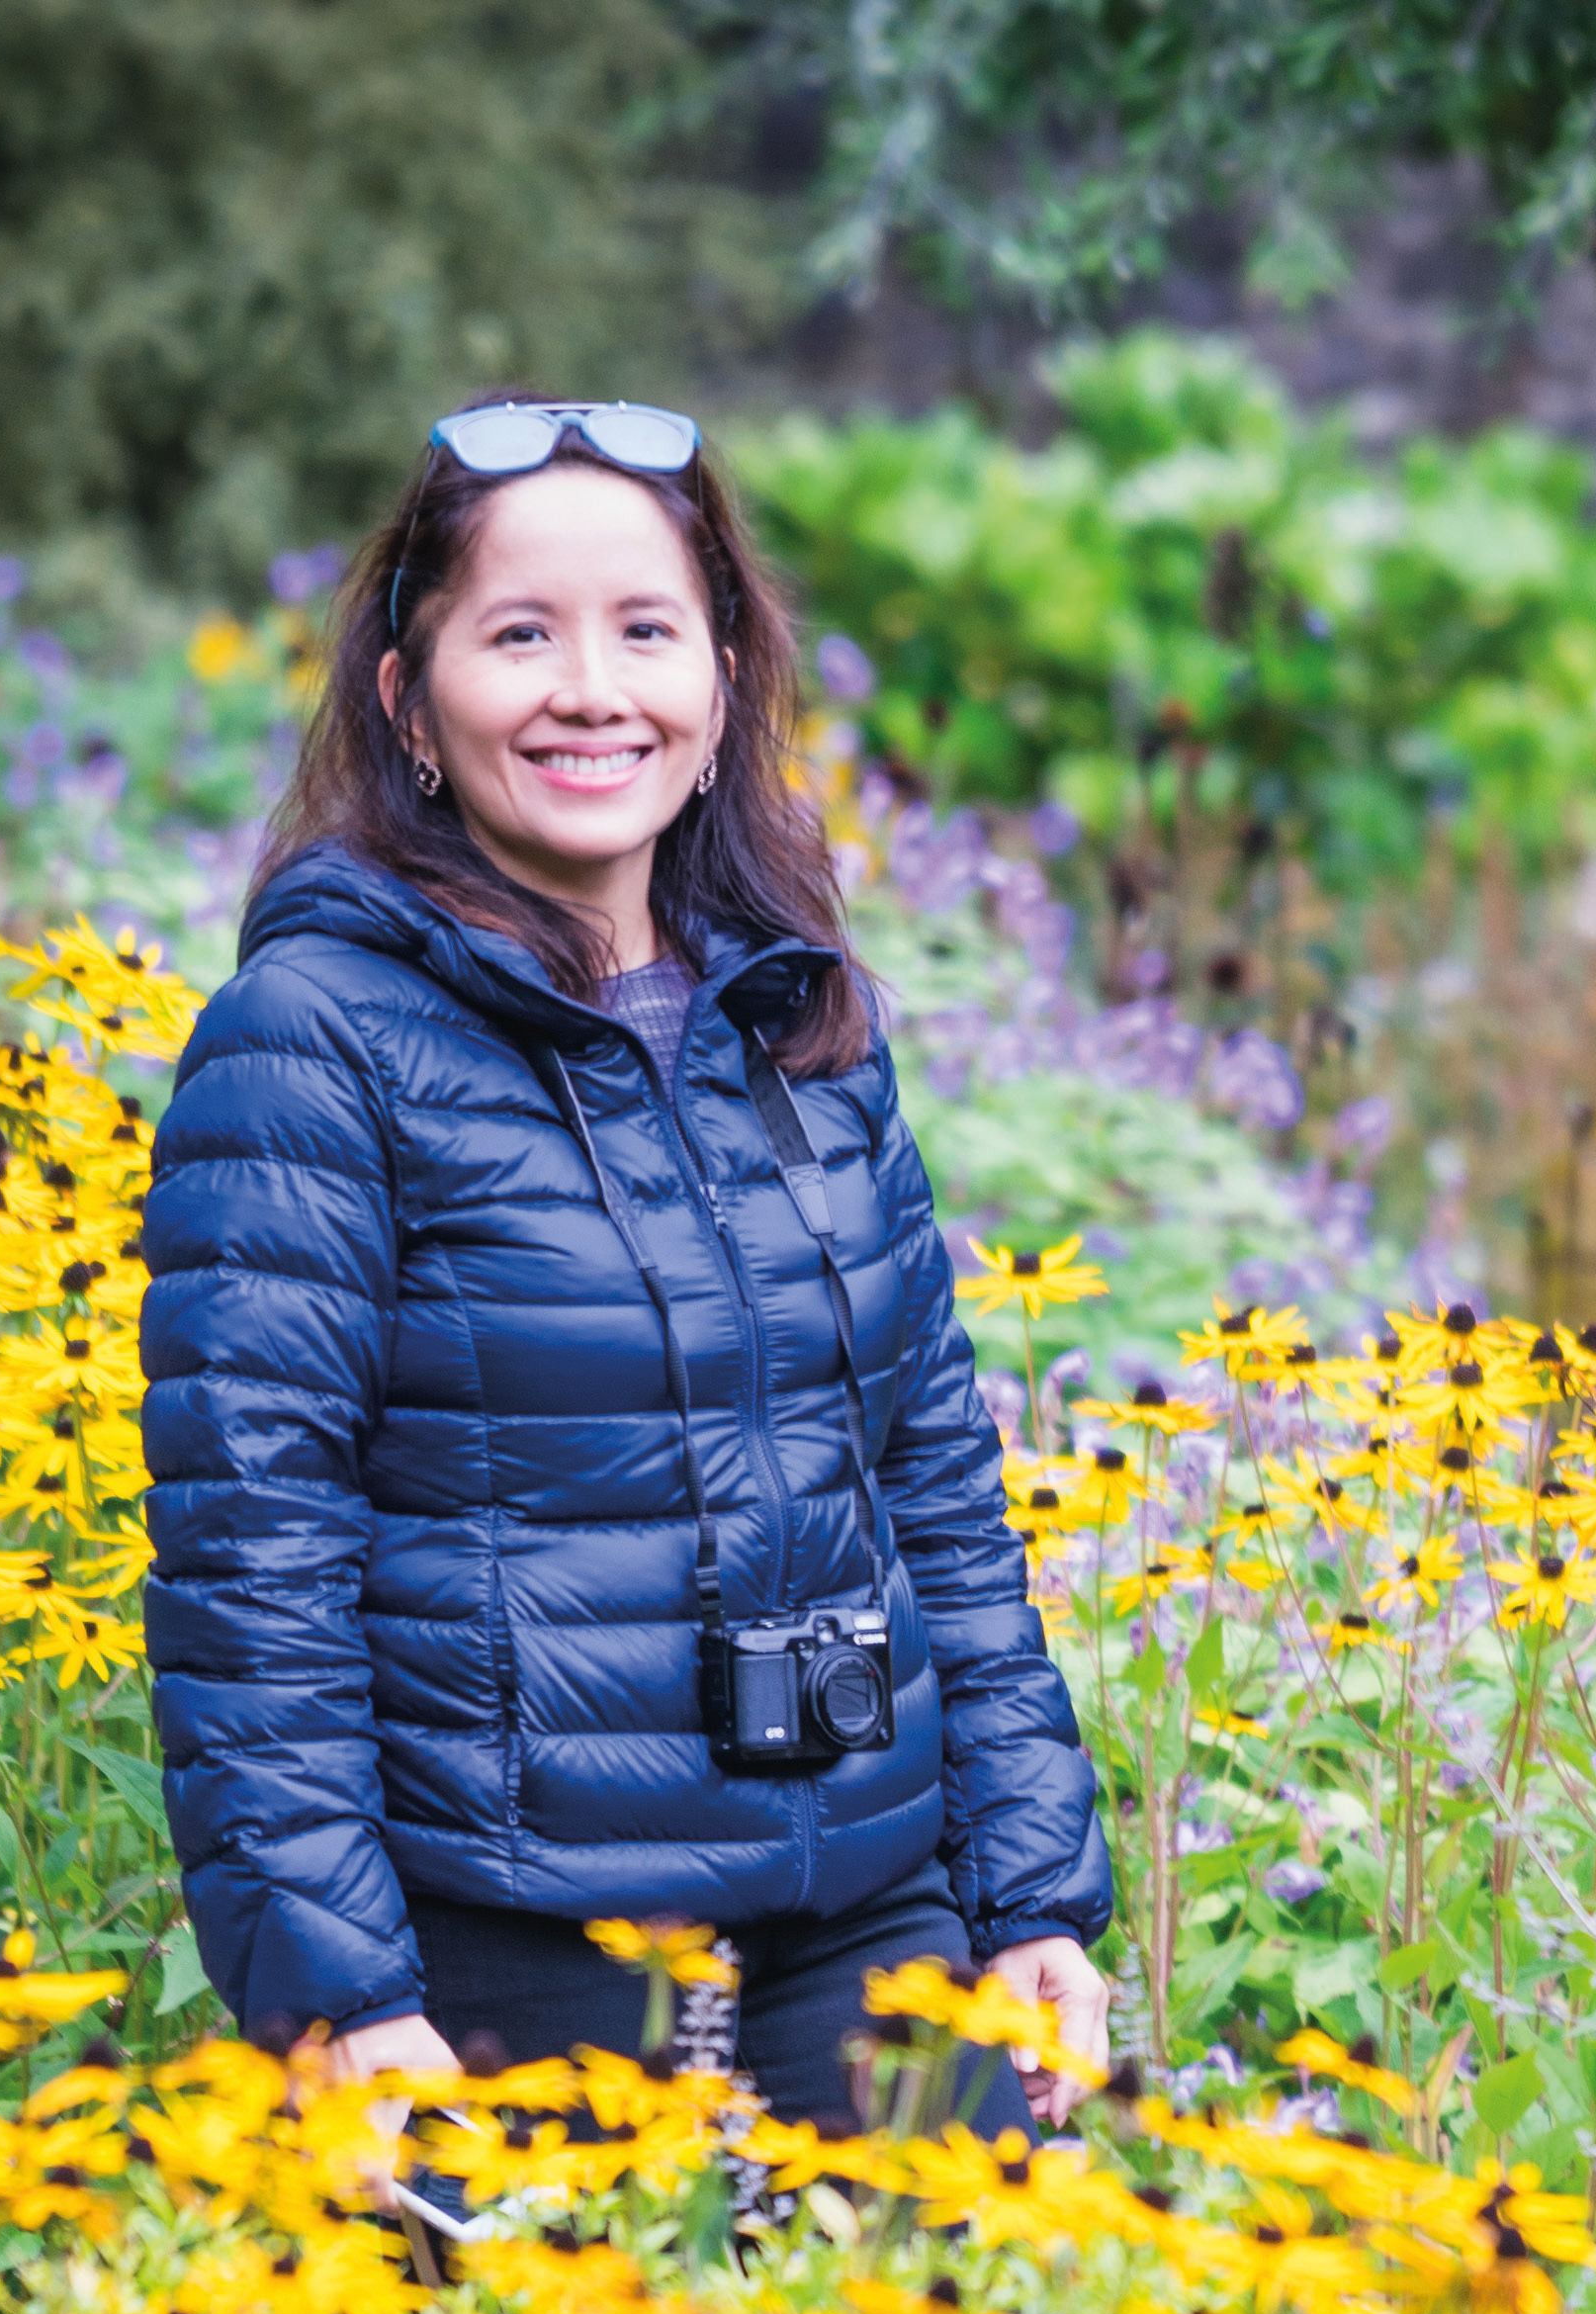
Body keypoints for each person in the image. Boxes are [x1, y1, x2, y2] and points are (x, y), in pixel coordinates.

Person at [140, 395, 1114, 2134]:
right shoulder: (311, 1041)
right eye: (522, 634)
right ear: (408, 699)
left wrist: (1030, 1888)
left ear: (721, 684)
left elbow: (933, 1485)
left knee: (972, 2305)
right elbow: (254, 1557)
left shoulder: (801, 1016)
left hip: (864, 1906)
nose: (594, 689)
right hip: (516, 1937)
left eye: (646, 631)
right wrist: (341, 1995)